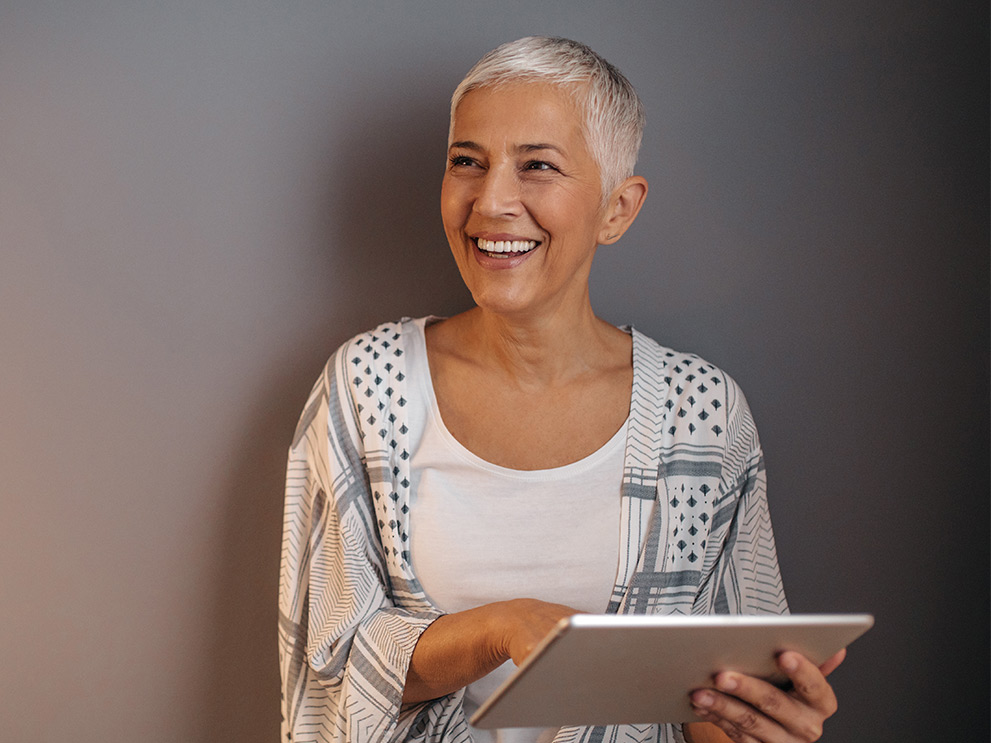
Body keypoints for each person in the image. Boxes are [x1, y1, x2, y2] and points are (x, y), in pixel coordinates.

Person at [279, 36, 844, 743]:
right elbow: (327, 670)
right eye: (466, 163)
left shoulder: (701, 415)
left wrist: (763, 724)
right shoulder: (367, 386)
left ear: (617, 208)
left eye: (537, 166)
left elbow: (708, 707)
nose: (491, 201)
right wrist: (497, 627)